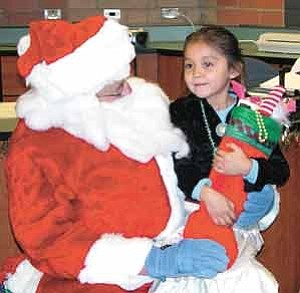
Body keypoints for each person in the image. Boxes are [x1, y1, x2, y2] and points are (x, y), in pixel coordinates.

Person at [0, 18, 280, 293]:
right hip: (101, 274)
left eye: (124, 82)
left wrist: (253, 201)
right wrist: (156, 261)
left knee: (244, 279)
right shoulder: (40, 146)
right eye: (114, 90)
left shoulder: (141, 109)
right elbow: (48, 239)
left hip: (179, 249)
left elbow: (176, 182)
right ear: (78, 95)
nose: (127, 92)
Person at [159, 25, 290, 292]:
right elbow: (174, 164)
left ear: (233, 70)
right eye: (189, 66)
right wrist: (206, 193)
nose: (196, 74)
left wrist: (248, 167)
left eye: (207, 65)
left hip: (241, 213)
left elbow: (280, 170)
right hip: (197, 207)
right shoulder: (180, 111)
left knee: (263, 194)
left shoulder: (255, 115)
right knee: (210, 264)